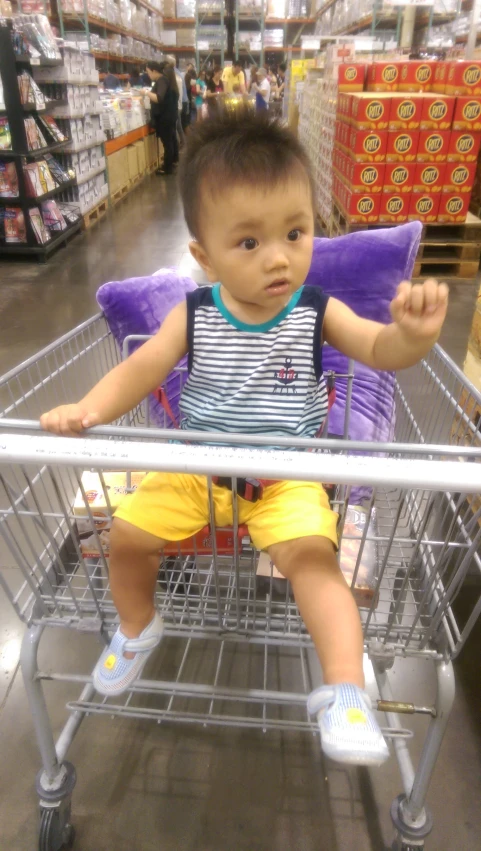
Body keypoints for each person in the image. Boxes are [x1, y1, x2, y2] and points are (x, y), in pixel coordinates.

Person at [40, 109, 449, 767]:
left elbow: (379, 347)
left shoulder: (318, 309)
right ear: (202, 257)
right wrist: (86, 409)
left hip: (286, 477)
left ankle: (345, 690)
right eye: (249, 242)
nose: (279, 257)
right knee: (127, 538)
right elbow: (141, 368)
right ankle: (140, 626)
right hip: (198, 471)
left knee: (317, 568)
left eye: (295, 231)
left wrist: (413, 335)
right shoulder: (194, 313)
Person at [142, 60, 178, 176]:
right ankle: (171, 163)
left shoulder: (162, 81)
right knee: (170, 141)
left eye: (148, 72)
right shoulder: (164, 80)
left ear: (154, 71)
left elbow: (159, 98)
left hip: (165, 118)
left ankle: (167, 168)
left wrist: (146, 93)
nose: (148, 75)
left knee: (167, 143)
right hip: (168, 117)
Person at [166, 54, 188, 148]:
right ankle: (183, 142)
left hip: (176, 105)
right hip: (180, 103)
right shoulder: (179, 74)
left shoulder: (173, 76)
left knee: (175, 126)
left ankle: (179, 144)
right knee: (178, 125)